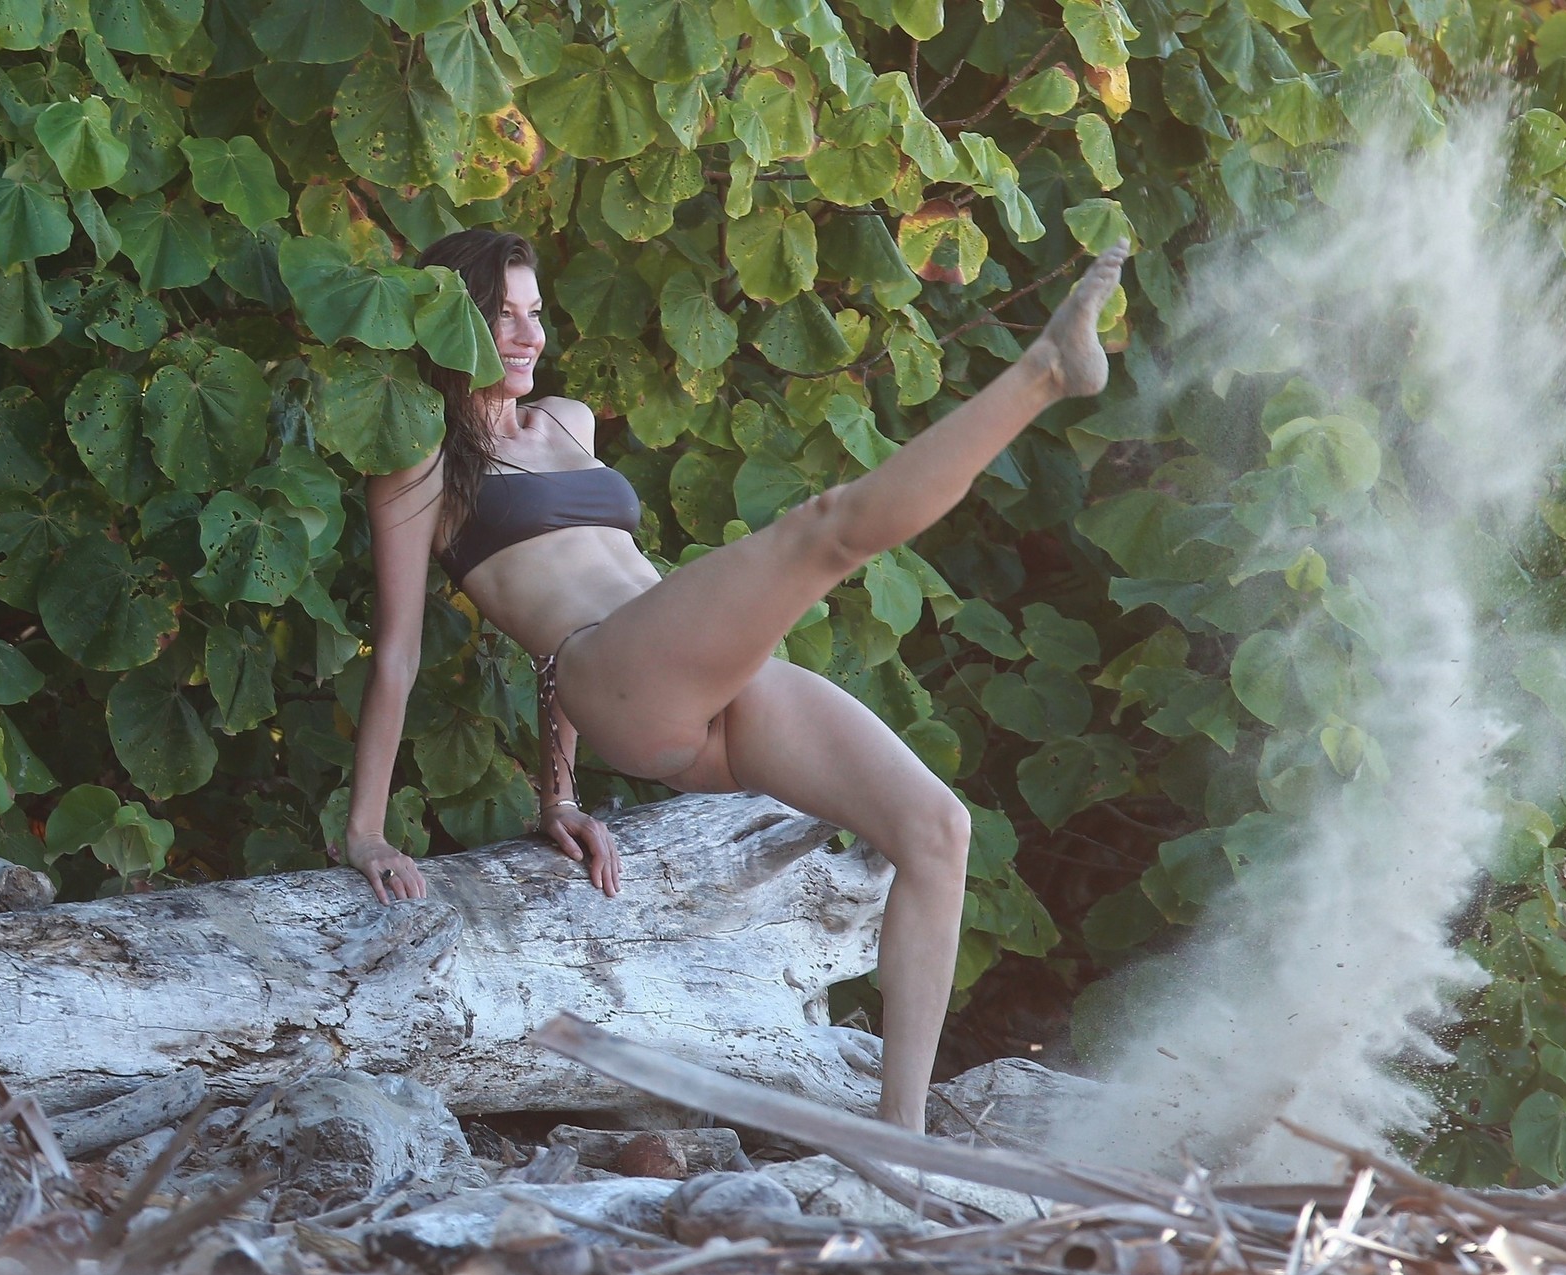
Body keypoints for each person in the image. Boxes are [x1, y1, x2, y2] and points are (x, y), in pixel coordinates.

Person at [339, 226, 1130, 1129]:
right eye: (501, 316)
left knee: (938, 830)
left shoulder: (567, 420)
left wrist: (558, 797)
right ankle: (1043, 373)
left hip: (691, 678)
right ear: (451, 324)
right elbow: (399, 650)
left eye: (535, 313)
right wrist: (367, 833)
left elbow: (562, 612)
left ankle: (900, 1138)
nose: (528, 336)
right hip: (620, 676)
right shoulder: (423, 460)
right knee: (825, 530)